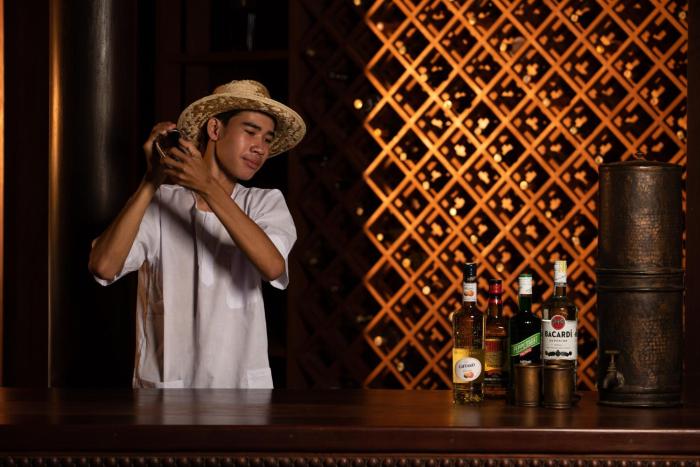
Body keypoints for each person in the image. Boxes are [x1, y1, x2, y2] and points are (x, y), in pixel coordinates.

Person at [88, 80, 306, 388]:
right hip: (165, 394)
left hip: (241, 392)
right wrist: (151, 181)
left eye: (267, 139)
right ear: (215, 129)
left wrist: (207, 186)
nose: (260, 147)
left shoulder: (264, 202)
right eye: (250, 131)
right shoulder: (161, 203)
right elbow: (103, 266)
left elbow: (272, 266)